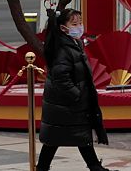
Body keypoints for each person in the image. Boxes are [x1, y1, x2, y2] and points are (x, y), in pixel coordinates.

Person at [37, 9, 115, 171]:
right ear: (63, 28)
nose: (79, 26)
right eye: (74, 24)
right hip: (66, 104)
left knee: (75, 136)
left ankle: (94, 167)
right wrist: (77, 95)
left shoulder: (73, 43)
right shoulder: (62, 49)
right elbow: (61, 78)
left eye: (80, 23)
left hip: (68, 104)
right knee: (58, 138)